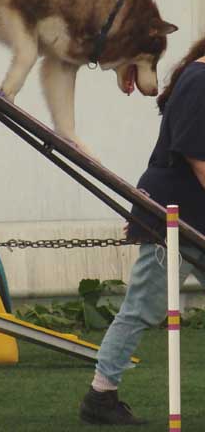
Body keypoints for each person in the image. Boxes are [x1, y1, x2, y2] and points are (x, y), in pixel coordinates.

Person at [79, 37, 205, 426]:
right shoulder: (200, 81)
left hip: (192, 212)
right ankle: (100, 395)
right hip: (172, 213)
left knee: (140, 306)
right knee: (142, 307)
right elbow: (198, 159)